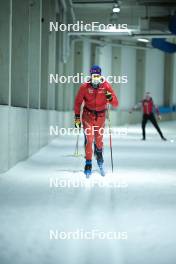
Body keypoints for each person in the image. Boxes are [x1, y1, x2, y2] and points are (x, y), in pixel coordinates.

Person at [74, 65, 119, 177]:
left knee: (98, 141)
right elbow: (78, 102)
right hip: (87, 116)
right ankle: (88, 163)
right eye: (93, 76)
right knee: (89, 139)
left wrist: (110, 97)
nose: (95, 78)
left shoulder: (106, 86)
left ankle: (99, 156)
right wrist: (77, 118)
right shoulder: (84, 87)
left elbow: (115, 103)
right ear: (91, 76)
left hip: (100, 117)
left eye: (97, 76)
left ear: (100, 76)